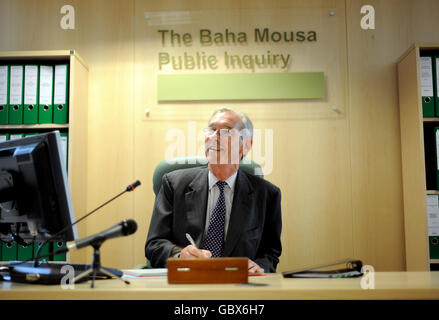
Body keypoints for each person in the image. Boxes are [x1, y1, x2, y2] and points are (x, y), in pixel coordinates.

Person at [145, 108, 282, 273]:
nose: (213, 137)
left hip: (239, 288)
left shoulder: (268, 195)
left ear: (245, 145)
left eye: (225, 131)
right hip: (186, 284)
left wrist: (259, 266)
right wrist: (180, 255)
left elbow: (270, 253)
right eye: (211, 130)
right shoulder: (173, 184)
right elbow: (154, 244)